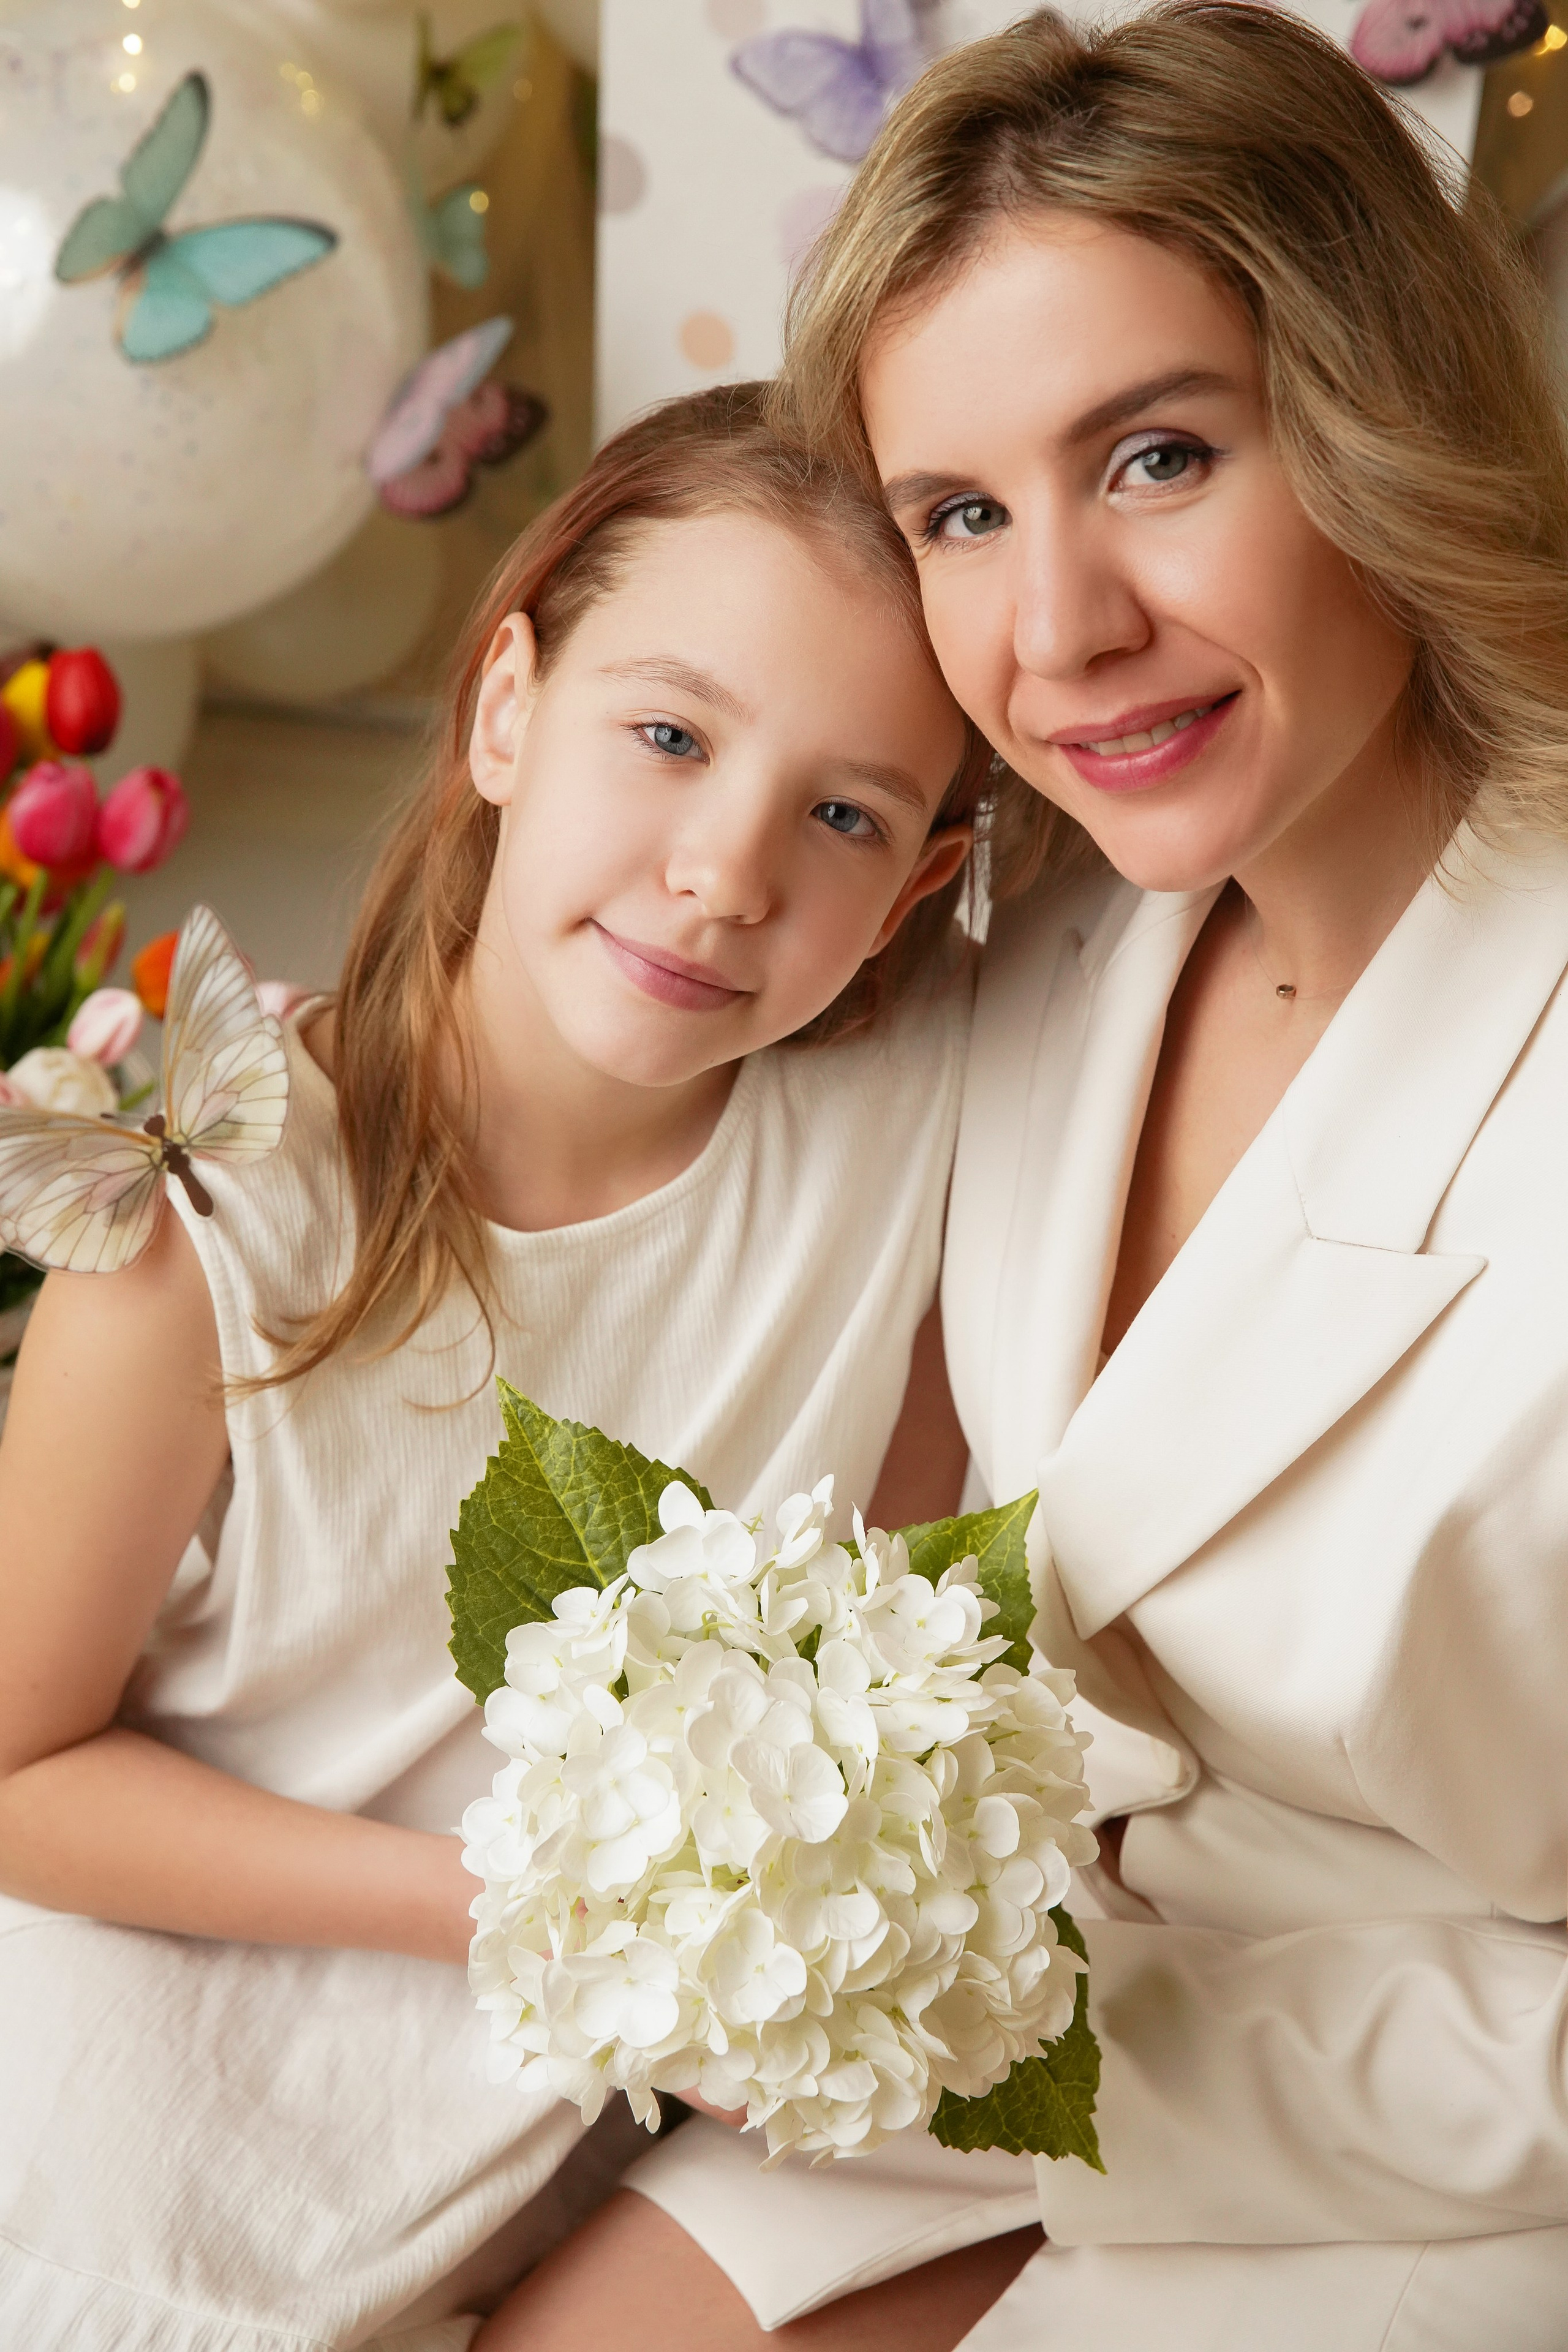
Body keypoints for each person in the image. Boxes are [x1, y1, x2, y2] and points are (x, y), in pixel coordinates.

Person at [482, 9, 1568, 2350]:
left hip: (1443, 2131)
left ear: (1382, 410)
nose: (1056, 634)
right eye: (960, 516)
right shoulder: (1056, 907)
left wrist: (1053, 2052)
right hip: (992, 2011)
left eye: (1159, 456)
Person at [0, 383, 1009, 2350]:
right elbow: (17, 1767)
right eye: (667, 735)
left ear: (909, 891)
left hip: (531, 2208)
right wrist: (543, 1916)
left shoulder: (893, 1136)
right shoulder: (217, 1222)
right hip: (125, 2202)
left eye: (841, 812)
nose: (727, 870)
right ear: (504, 711)